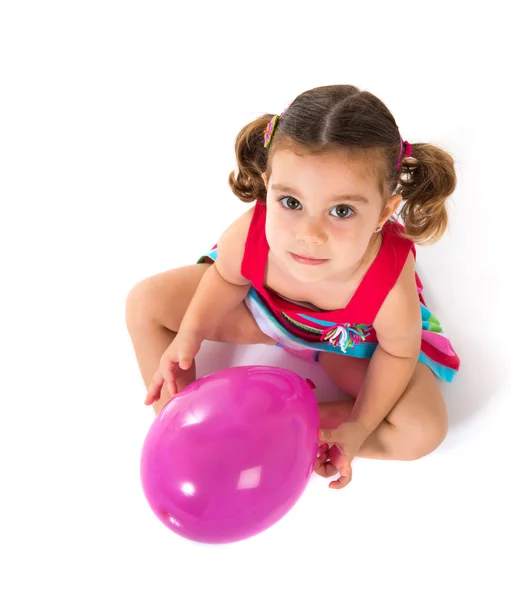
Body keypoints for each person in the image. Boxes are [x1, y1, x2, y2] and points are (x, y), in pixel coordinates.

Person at [126, 84, 460, 490]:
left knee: (422, 428)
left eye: (341, 211)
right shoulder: (251, 234)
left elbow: (396, 351)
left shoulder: (388, 286)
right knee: (145, 302)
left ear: (384, 212)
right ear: (269, 185)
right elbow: (227, 279)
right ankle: (182, 424)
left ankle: (284, 432)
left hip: (347, 343)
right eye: (291, 203)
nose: (309, 234)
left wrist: (359, 425)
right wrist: (188, 338)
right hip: (262, 312)